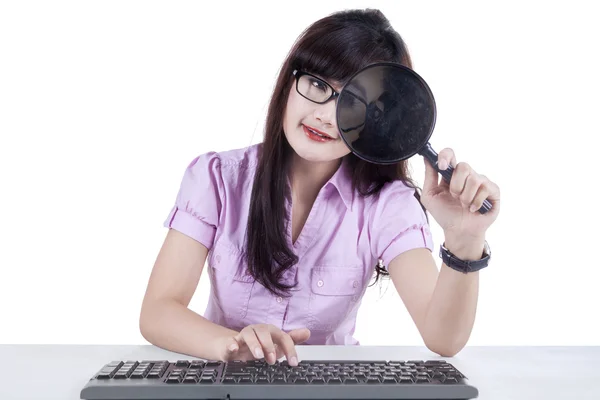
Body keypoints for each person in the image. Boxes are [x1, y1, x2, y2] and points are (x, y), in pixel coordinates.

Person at [139, 8, 501, 367]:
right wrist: (233, 344)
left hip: (334, 389)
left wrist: (464, 240)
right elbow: (158, 311)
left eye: (354, 103)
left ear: (379, 121)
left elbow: (444, 338)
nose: (326, 116)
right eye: (317, 84)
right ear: (289, 82)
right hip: (226, 386)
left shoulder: (387, 205)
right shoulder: (217, 177)